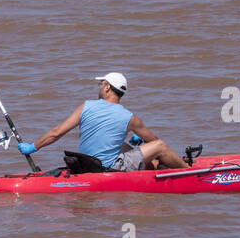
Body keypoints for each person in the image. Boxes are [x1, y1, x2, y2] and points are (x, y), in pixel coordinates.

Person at [18, 73, 188, 171]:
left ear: (107, 87)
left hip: (86, 163)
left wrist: (34, 147)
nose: (99, 86)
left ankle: (155, 167)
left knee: (122, 146)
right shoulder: (129, 118)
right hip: (108, 168)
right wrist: (141, 139)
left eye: (101, 84)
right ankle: (188, 171)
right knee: (160, 146)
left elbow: (57, 132)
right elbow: (154, 141)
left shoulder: (85, 106)